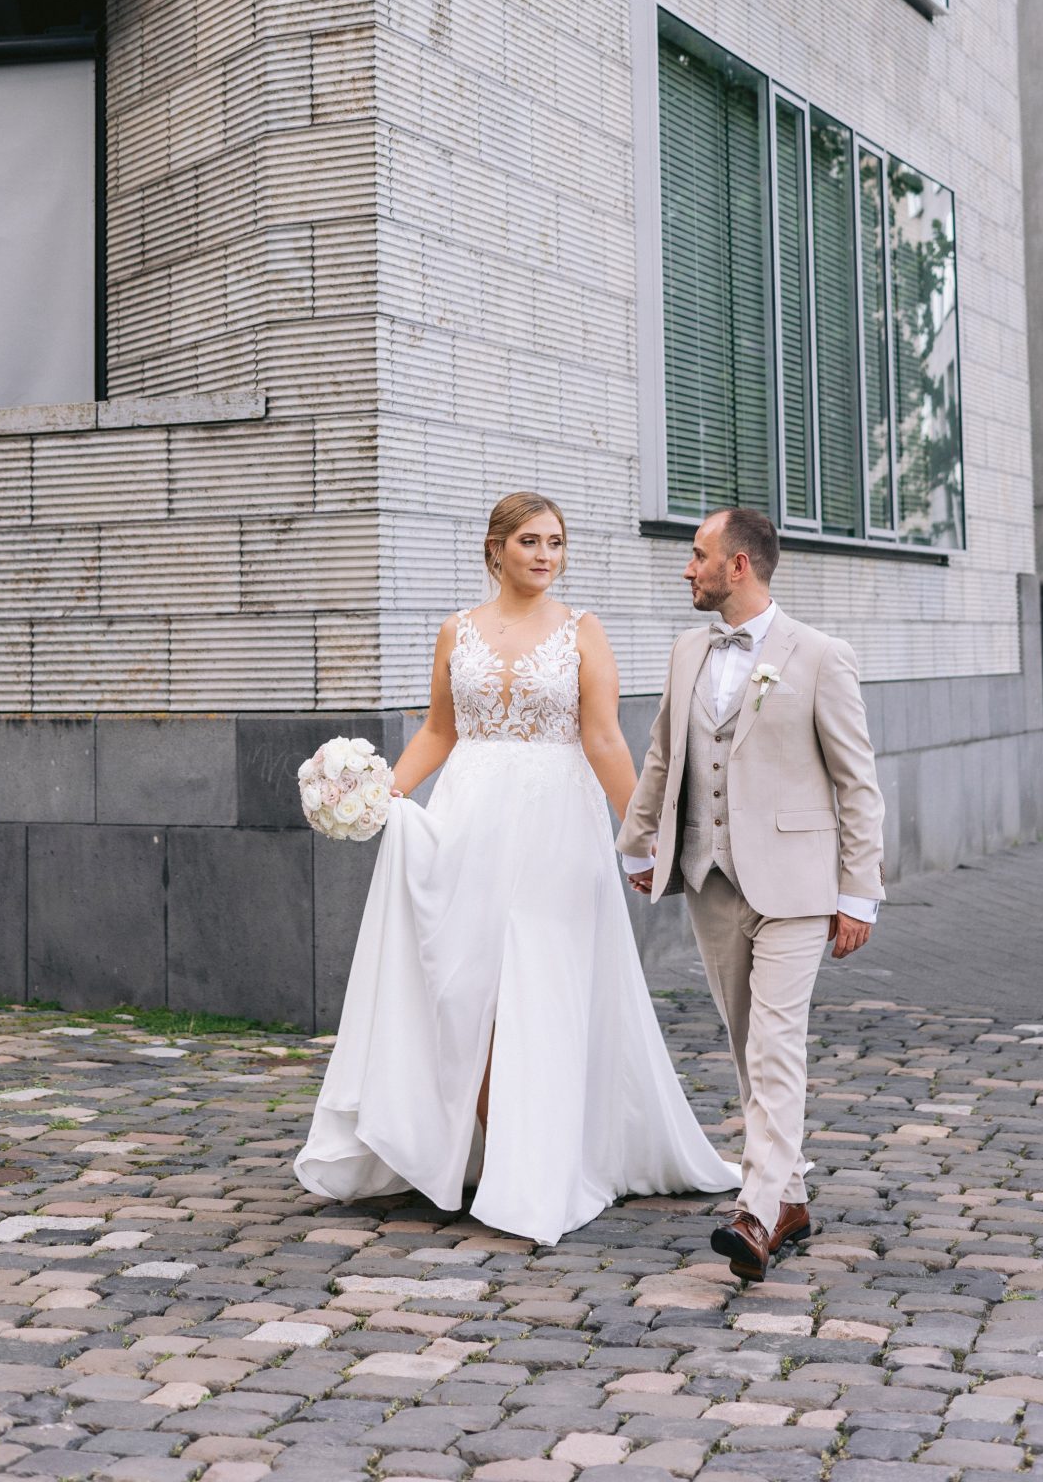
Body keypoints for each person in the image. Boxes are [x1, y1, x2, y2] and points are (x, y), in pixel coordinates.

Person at [294, 492, 738, 1246]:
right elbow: (438, 730)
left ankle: (527, 1162)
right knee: (467, 987)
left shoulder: (580, 632)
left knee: (535, 983)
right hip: (467, 819)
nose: (543, 554)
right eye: (529, 540)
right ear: (495, 547)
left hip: (553, 823)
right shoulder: (455, 631)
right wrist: (376, 795)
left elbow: (603, 740)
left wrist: (641, 835)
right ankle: (481, 1147)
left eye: (555, 542)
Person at [617, 506, 885, 1285]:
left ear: (738, 566)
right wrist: (640, 842)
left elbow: (856, 784)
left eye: (696, 555)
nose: (686, 568)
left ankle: (757, 1210)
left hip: (799, 885)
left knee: (773, 1044)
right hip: (712, 878)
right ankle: (791, 1196)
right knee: (743, 1042)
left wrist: (858, 892)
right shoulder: (684, 651)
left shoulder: (820, 655)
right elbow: (663, 754)